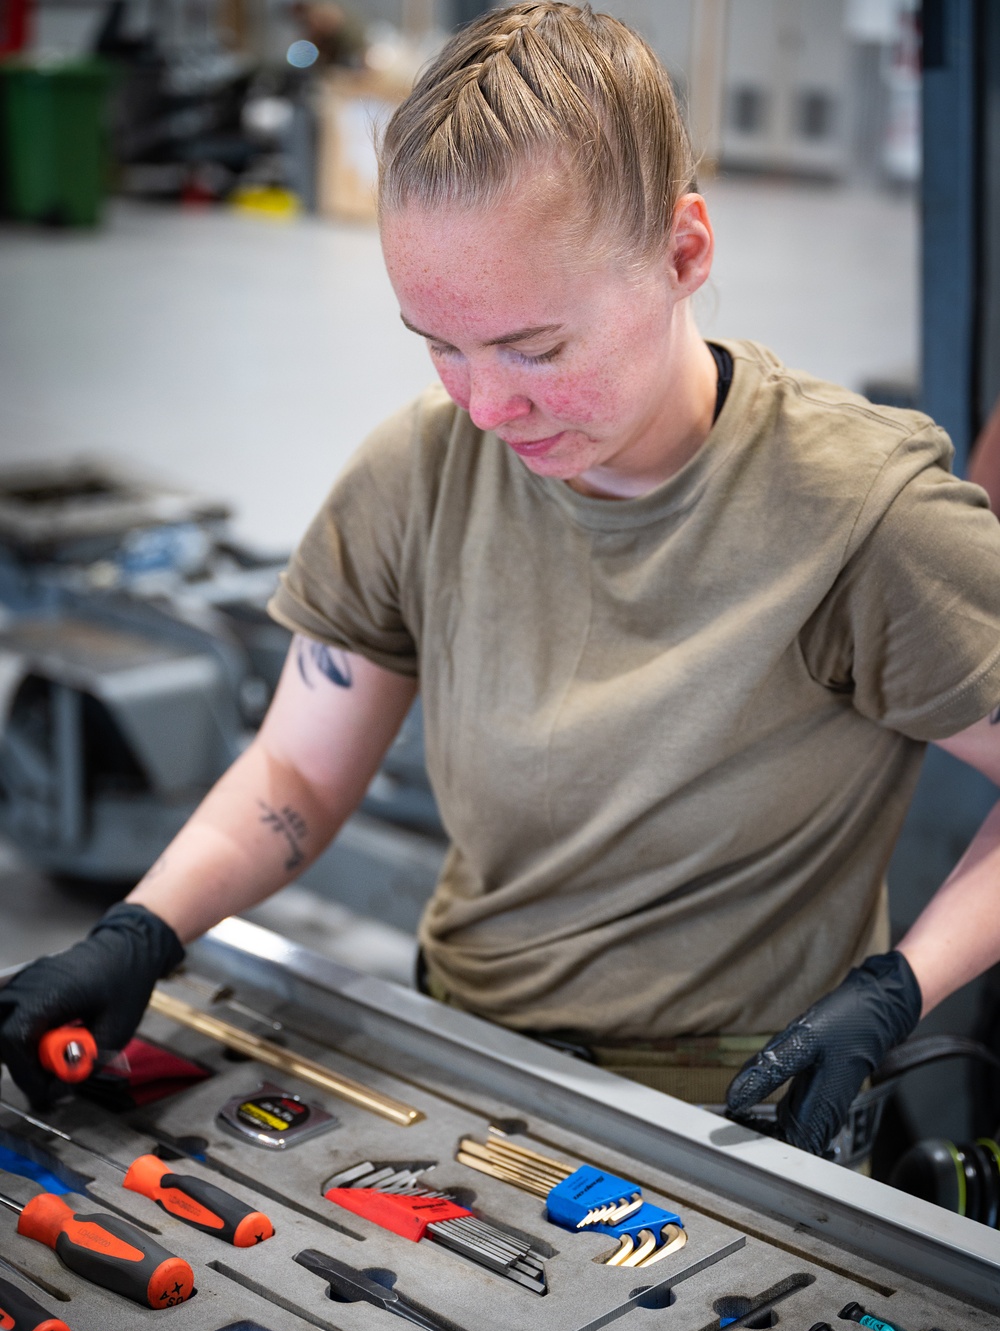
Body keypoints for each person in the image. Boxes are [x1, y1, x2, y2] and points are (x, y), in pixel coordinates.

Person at [4, 1, 1000, 1158]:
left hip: (739, 1111)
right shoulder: (421, 467)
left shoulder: (857, 514)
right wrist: (140, 928)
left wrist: (898, 988)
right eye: (439, 341)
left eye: (534, 348)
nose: (484, 405)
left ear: (683, 252)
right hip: (459, 1055)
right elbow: (296, 766)